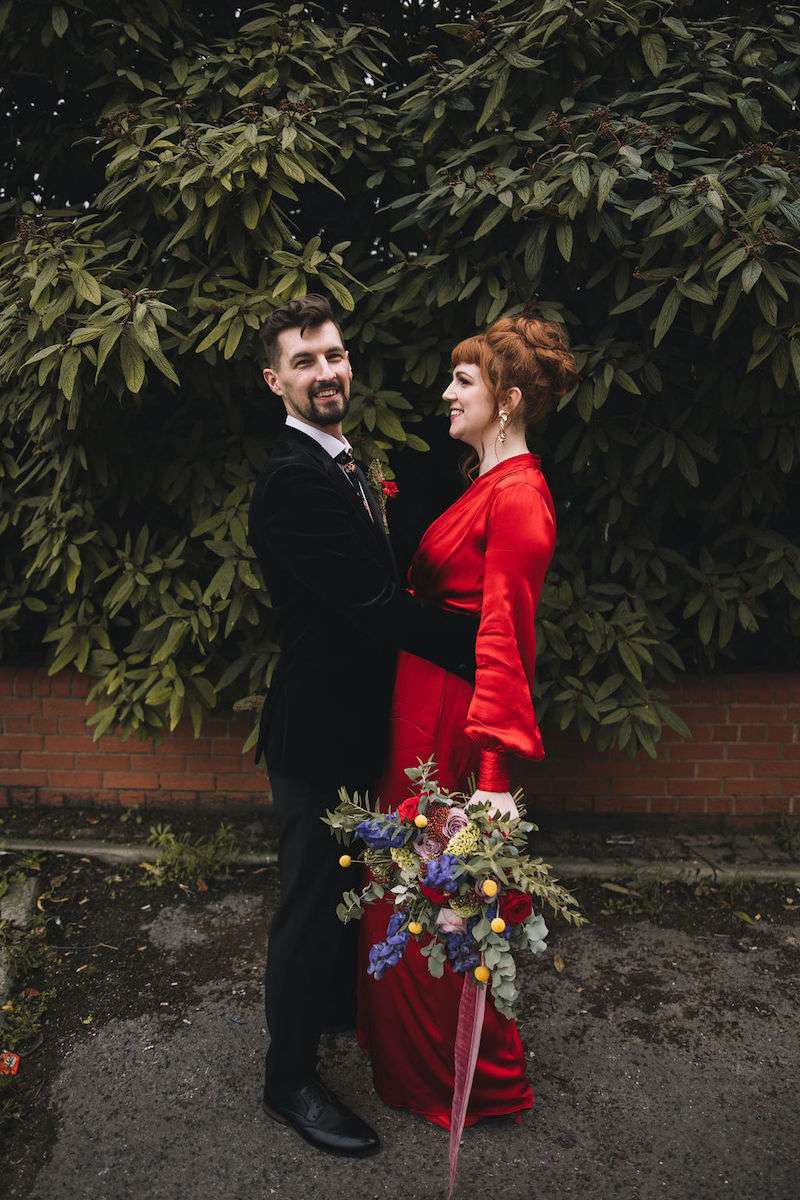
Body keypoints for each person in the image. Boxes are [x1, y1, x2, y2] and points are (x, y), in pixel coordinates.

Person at [247, 294, 480, 1157]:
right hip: (316, 733)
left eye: (334, 355)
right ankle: (287, 1080)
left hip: (360, 723)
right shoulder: (293, 480)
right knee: (310, 905)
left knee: (347, 894)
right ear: (275, 381)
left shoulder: (346, 461)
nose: (326, 372)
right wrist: (480, 643)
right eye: (304, 361)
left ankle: (335, 1016)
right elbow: (376, 604)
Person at [357, 314, 577, 1128]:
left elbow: (505, 642)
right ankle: (405, 1060)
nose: (446, 393)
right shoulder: (486, 483)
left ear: (507, 399)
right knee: (398, 885)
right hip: (419, 705)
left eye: (463, 380)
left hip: (452, 720)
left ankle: (468, 1078)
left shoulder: (518, 498)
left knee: (434, 889)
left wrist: (490, 778)